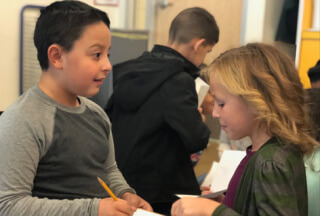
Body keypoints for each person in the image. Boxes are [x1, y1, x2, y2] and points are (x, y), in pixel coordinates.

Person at [0, 1, 152, 215]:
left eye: (108, 54)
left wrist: (126, 194)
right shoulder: (23, 119)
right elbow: (9, 205)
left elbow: (108, 169)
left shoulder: (96, 113)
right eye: (96, 55)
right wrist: (93, 209)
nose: (108, 65)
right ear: (57, 56)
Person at [171, 43, 319, 216]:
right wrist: (228, 204)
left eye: (221, 104)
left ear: (257, 101)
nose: (214, 112)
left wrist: (214, 211)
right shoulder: (263, 153)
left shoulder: (271, 163)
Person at [105, 7, 219, 214]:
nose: (203, 60)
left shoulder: (131, 69)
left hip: (125, 185)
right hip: (163, 190)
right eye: (207, 52)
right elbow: (197, 139)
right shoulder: (178, 80)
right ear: (199, 44)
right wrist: (198, 118)